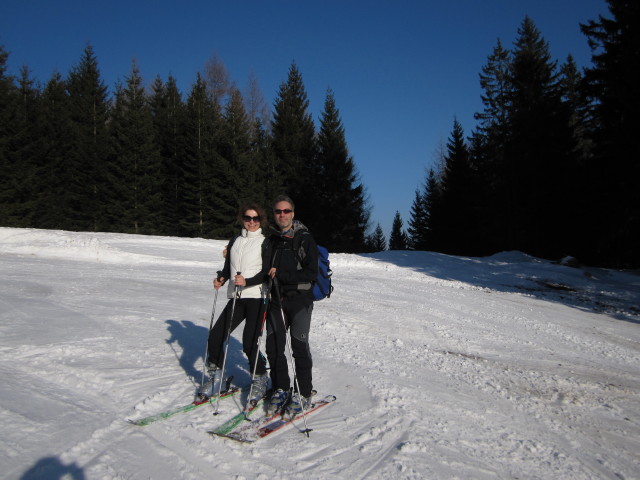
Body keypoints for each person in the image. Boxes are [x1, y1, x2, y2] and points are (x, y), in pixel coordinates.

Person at [199, 203, 272, 403]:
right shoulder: (235, 240)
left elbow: (266, 273)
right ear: (242, 218)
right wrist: (222, 278)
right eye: (248, 218)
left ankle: (260, 378)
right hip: (237, 297)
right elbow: (227, 267)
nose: (251, 222)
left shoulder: (265, 242)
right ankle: (216, 377)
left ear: (261, 220)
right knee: (215, 336)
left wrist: (248, 281)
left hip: (257, 297)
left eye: (255, 218)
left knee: (249, 343)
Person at [265, 195, 319, 414]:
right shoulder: (273, 239)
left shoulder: (305, 238)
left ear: (293, 213)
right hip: (277, 299)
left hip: (300, 300)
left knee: (298, 346)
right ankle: (280, 387)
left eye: (286, 211)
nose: (282, 215)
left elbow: (311, 272)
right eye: (278, 211)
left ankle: (303, 391)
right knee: (274, 346)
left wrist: (283, 275)